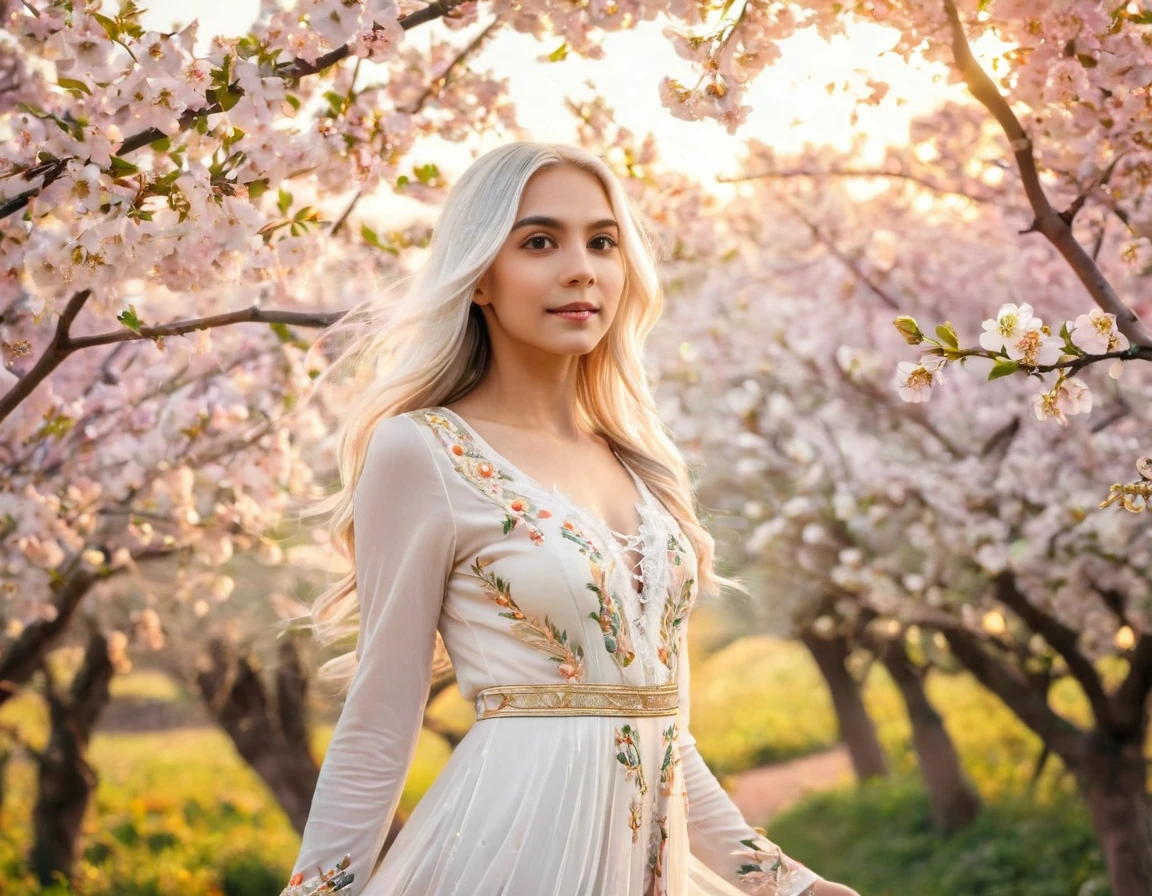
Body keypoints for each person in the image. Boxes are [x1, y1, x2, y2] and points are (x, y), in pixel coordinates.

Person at [280, 142, 860, 896]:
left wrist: (787, 884)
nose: (581, 267)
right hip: (505, 864)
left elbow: (659, 731)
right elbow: (381, 722)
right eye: (539, 242)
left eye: (603, 241)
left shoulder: (641, 466)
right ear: (482, 274)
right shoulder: (422, 452)